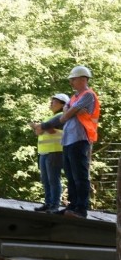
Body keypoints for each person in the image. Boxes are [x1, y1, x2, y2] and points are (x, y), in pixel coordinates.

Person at [30, 65, 99, 218]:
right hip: (68, 140)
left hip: (80, 138)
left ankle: (81, 209)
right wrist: (71, 111)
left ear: (83, 79)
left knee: (80, 175)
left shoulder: (88, 95)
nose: (71, 82)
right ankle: (72, 207)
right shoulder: (74, 97)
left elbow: (66, 115)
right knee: (70, 175)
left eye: (73, 79)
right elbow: (64, 116)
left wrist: (70, 112)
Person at [30, 93, 68, 212]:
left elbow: (50, 130)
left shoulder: (63, 116)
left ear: (62, 104)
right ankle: (48, 203)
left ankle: (54, 205)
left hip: (55, 151)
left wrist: (39, 126)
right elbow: (39, 132)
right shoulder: (49, 118)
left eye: (54, 101)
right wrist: (39, 127)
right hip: (44, 152)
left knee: (53, 179)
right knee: (45, 180)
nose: (51, 103)